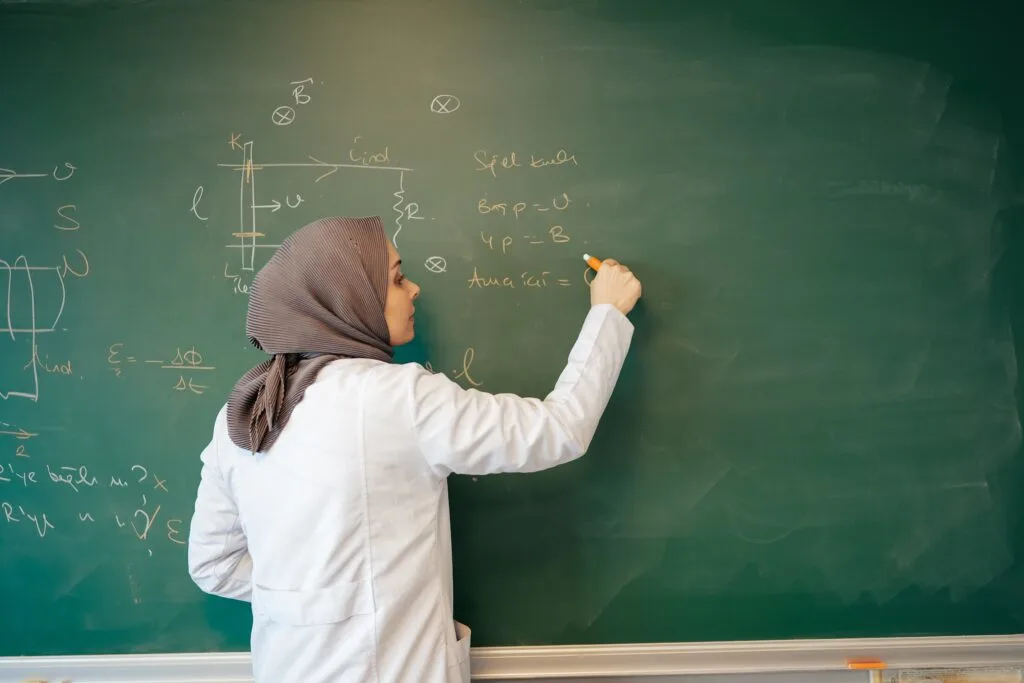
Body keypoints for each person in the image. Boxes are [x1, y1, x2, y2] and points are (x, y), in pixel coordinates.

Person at [187, 215, 643, 683]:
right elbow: (559, 429)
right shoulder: (397, 397)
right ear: (349, 298)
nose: (416, 289)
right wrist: (607, 313)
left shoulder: (243, 413)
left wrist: (309, 596)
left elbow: (213, 565)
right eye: (398, 278)